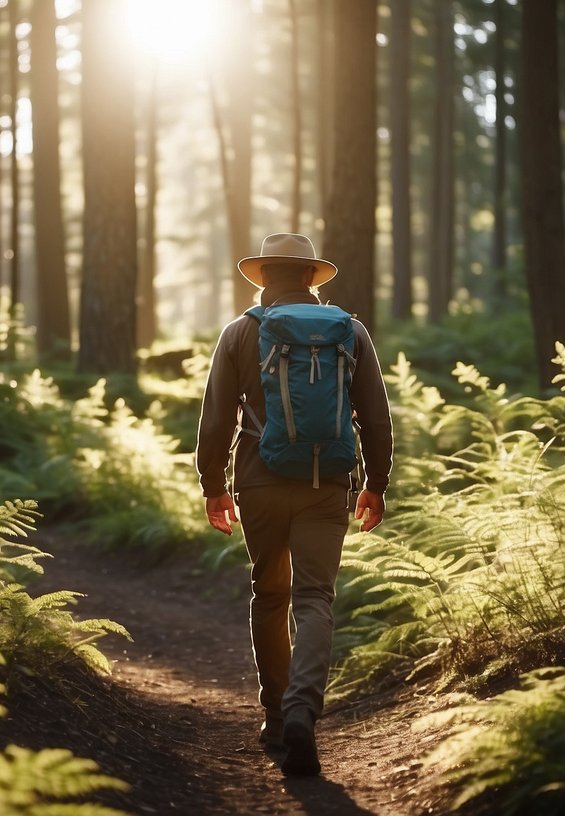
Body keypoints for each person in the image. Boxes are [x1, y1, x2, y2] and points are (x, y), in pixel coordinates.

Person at [194, 233, 393, 777]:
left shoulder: (240, 333)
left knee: (270, 591)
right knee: (315, 598)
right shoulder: (350, 332)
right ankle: (304, 710)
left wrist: (213, 485)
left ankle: (277, 715)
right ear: (310, 277)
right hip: (327, 484)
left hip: (258, 481)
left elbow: (215, 418)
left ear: (263, 279)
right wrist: (377, 481)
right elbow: (375, 415)